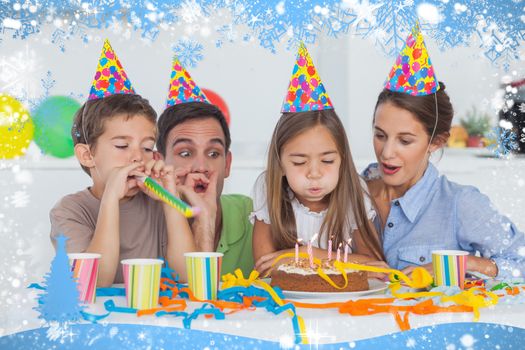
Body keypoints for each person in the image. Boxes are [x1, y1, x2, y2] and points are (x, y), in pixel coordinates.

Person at [360, 24, 525, 280]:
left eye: (405, 141)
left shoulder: (461, 204)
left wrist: (466, 263)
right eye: (380, 135)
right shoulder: (352, 190)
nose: (387, 152)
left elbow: (521, 261)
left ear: (436, 142)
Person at [50, 41, 194, 286]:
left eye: (147, 147)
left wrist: (171, 201)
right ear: (87, 155)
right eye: (121, 146)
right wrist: (109, 201)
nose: (138, 157)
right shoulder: (69, 211)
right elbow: (93, 284)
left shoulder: (160, 202)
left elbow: (189, 278)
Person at [251, 44, 382, 276]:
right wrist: (334, 263)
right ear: (280, 164)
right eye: (299, 162)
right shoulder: (267, 188)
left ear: (342, 159)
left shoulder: (354, 192)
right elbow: (264, 268)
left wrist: (300, 255)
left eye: (328, 161)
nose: (314, 173)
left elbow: (377, 268)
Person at [157, 101, 254, 277]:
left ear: (227, 164)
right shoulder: (140, 220)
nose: (201, 167)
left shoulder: (254, 217)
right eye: (185, 153)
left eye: (213, 154)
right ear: (160, 163)